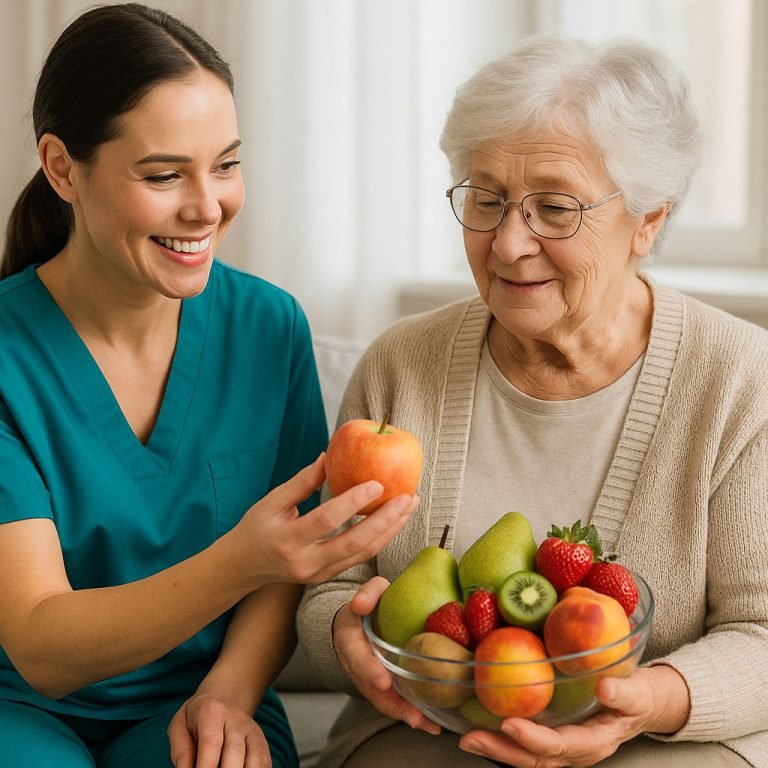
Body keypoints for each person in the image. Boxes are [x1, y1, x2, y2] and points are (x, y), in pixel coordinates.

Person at [297, 35, 768, 768]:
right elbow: (331, 590)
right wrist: (347, 643)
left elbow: (762, 632)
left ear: (647, 220)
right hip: (428, 735)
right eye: (486, 200)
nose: (509, 243)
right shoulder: (401, 365)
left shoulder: (741, 379)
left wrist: (651, 699)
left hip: (658, 745)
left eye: (554, 208)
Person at [0, 5, 418, 768]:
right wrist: (246, 558)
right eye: (163, 175)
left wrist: (227, 693)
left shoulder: (269, 328)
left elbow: (283, 577)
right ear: (62, 168)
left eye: (225, 164)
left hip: (203, 696)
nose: (207, 206)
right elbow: (40, 646)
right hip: (24, 707)